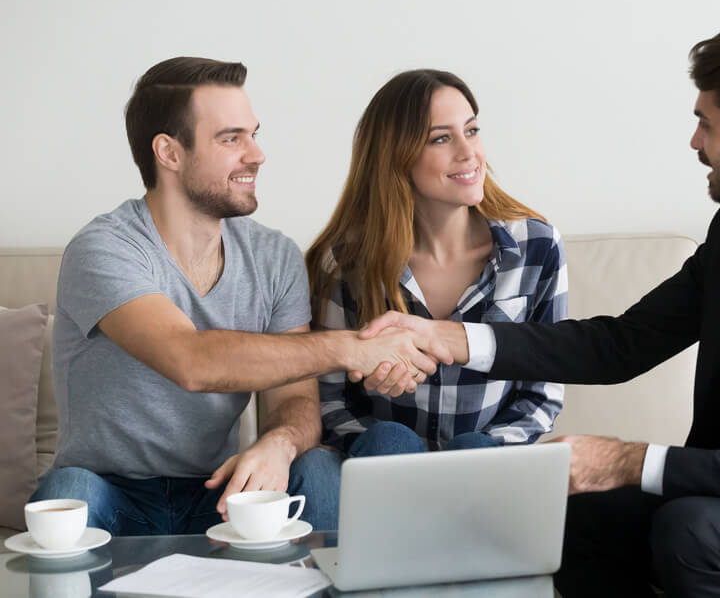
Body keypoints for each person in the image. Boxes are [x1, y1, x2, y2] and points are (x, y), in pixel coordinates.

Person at [356, 24, 720, 596]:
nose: (695, 141)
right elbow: (620, 344)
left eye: (706, 123)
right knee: (568, 518)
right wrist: (453, 339)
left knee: (694, 533)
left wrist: (624, 460)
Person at [30, 57, 451, 536]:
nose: (257, 154)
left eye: (253, 134)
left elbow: (294, 398)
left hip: (219, 493)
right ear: (169, 153)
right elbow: (190, 360)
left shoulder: (274, 257)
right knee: (69, 493)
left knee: (316, 469)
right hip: (109, 493)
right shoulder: (105, 248)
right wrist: (354, 347)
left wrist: (281, 442)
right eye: (231, 139)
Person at [304, 69, 566, 458]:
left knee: (475, 451)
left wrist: (483, 452)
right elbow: (331, 399)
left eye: (472, 130)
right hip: (382, 470)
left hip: (482, 473)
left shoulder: (536, 247)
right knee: (387, 441)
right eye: (441, 138)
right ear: (397, 157)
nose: (468, 152)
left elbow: (542, 393)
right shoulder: (345, 263)